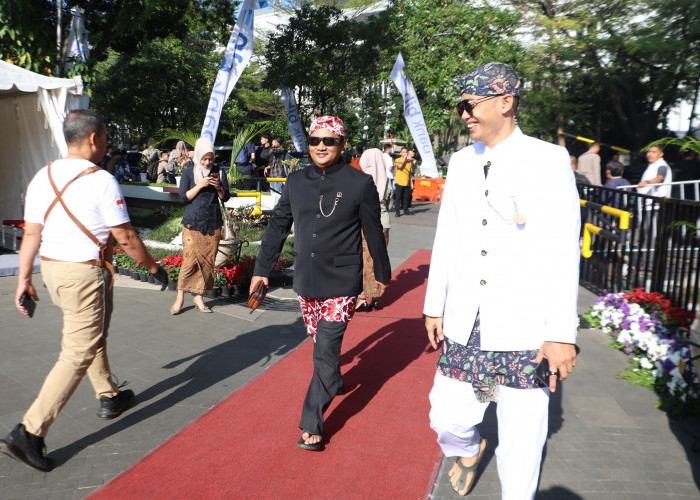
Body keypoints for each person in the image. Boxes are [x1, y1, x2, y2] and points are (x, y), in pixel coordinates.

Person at [424, 62, 580, 497]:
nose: (464, 114)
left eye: (471, 104)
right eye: (462, 106)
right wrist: (434, 304)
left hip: (525, 324)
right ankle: (469, 447)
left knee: (524, 437)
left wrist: (561, 334)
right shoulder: (460, 162)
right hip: (467, 319)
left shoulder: (548, 161)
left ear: (506, 102)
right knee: (446, 416)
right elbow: (448, 236)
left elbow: (564, 250)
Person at [0, 110, 168, 472]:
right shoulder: (101, 179)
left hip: (53, 271)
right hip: (84, 276)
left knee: (88, 335)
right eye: (105, 138)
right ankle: (29, 432)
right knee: (77, 351)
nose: (106, 145)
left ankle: (109, 394)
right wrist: (154, 267)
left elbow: (31, 233)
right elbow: (124, 236)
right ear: (94, 139)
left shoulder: (42, 175)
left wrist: (23, 279)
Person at [250, 116, 391, 451]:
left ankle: (312, 422)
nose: (321, 147)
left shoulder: (359, 183)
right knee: (321, 345)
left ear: (341, 144)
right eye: (315, 141)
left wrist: (382, 275)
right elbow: (277, 227)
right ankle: (335, 378)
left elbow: (373, 231)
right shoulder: (295, 181)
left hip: (342, 281)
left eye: (329, 141)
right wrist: (262, 269)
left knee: (326, 348)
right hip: (306, 280)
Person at [170, 138, 231, 315]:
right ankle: (180, 297)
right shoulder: (189, 172)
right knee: (189, 262)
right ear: (198, 156)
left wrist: (218, 186)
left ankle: (199, 296)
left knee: (207, 262)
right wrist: (200, 185)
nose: (207, 162)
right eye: (204, 158)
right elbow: (183, 198)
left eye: (210, 158)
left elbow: (225, 197)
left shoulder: (219, 171)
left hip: (212, 223)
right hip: (192, 222)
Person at [354, 148, 391, 312]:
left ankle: (362, 299)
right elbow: (390, 201)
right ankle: (376, 298)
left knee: (365, 262)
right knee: (379, 260)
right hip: (384, 223)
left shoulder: (362, 179)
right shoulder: (386, 179)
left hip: (366, 224)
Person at [393, 147, 413, 216]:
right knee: (398, 198)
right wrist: (404, 159)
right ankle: (397, 212)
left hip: (406, 182)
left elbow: (410, 173)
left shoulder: (409, 162)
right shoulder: (397, 160)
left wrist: (411, 183)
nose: (405, 153)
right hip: (399, 182)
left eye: (406, 152)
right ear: (401, 153)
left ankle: (406, 210)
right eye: (403, 152)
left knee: (406, 197)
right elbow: (400, 166)